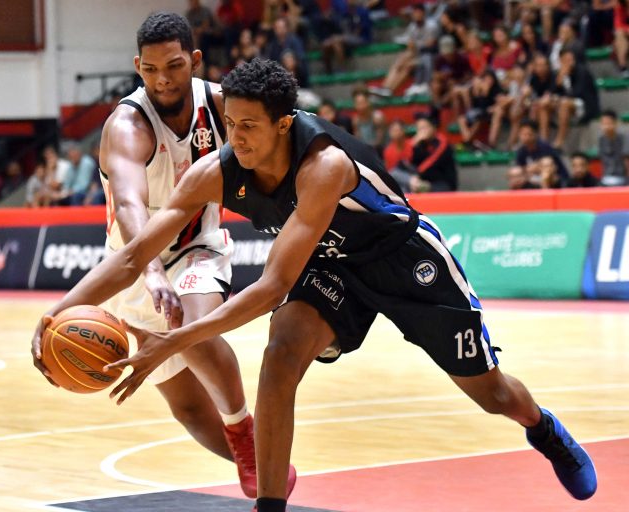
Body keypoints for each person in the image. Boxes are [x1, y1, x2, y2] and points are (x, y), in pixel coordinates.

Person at [31, 59, 597, 512]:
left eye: (250, 127)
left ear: (283, 124)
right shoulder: (217, 171)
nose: (236, 139)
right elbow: (134, 255)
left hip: (404, 261)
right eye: (231, 124)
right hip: (332, 266)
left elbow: (271, 287)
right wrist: (56, 314)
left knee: (493, 395)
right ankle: (270, 505)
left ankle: (544, 429)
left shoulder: (324, 165)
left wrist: (171, 342)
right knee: (280, 356)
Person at [31, 14, 294, 499]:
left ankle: (244, 434)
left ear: (194, 60)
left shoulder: (222, 105)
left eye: (173, 66)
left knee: (188, 328)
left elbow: (283, 135)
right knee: (189, 409)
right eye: (150, 70)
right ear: (138, 67)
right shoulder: (126, 125)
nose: (163, 79)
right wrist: (150, 272)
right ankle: (261, 457)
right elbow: (130, 206)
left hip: (198, 246)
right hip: (132, 261)